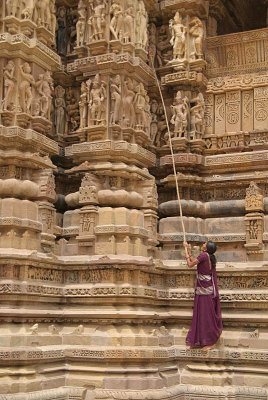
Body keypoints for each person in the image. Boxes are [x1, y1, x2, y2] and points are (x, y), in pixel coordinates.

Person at [183, 240, 222, 351]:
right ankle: (197, 341)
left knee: (205, 316)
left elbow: (190, 264)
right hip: (204, 290)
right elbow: (194, 261)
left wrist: (187, 255)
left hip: (204, 290)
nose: (202, 245)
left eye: (204, 244)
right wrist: (187, 249)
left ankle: (209, 342)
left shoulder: (204, 255)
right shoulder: (207, 256)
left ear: (206, 248)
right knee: (200, 315)